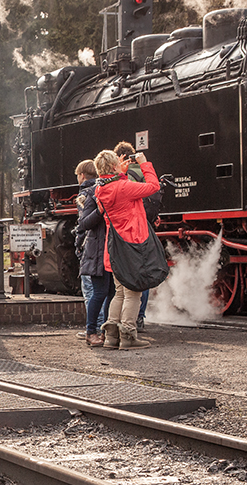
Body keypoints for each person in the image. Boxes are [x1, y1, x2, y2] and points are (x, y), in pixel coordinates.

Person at [94, 149, 160, 349]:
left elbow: (113, 185)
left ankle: (112, 337)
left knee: (120, 292)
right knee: (133, 293)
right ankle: (129, 336)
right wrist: (144, 163)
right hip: (132, 245)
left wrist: (119, 173)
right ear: (114, 166)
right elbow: (153, 186)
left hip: (114, 247)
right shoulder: (124, 187)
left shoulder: (100, 190)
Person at [113, 141, 155, 333]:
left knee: (122, 290)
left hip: (124, 236)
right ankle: (136, 321)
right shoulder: (140, 173)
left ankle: (118, 330)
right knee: (139, 280)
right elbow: (154, 188)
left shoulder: (114, 184)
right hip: (142, 229)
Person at [73, 160, 113, 347]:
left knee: (111, 292)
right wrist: (100, 211)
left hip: (110, 247)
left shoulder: (109, 189)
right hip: (97, 249)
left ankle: (105, 330)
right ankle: (91, 331)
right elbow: (83, 223)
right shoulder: (90, 194)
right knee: (99, 292)